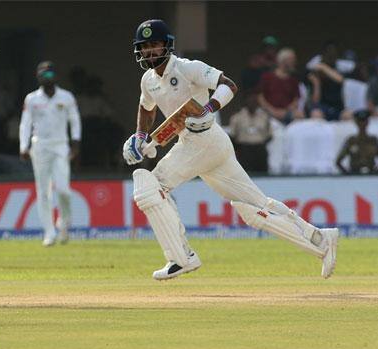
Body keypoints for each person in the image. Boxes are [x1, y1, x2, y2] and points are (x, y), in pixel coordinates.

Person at [122, 19, 338, 281]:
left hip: (204, 140)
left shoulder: (188, 68)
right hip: (202, 145)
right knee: (256, 209)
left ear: (167, 45)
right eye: (144, 47)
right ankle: (321, 239)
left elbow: (228, 85)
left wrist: (208, 109)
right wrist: (141, 136)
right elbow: (147, 108)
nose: (149, 52)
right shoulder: (148, 80)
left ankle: (181, 258)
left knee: (148, 187)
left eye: (155, 45)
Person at [19, 61, 81, 246]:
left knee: (63, 189)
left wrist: (75, 142)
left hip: (61, 145)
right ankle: (49, 232)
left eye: (50, 75)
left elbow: (75, 120)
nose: (47, 78)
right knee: (43, 191)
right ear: (38, 77)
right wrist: (24, 146)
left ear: (55, 76)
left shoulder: (66, 97)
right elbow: (25, 123)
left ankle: (63, 224)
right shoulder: (31, 99)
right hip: (40, 147)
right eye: (43, 75)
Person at [257, 48, 304, 124]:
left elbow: (296, 100)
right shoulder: (267, 77)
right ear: (284, 61)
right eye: (293, 59)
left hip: (287, 114)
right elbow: (260, 97)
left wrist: (285, 111)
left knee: (300, 116)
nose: (295, 62)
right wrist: (272, 111)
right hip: (268, 113)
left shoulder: (293, 80)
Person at [229, 91, 272, 173]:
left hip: (260, 149)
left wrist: (260, 144)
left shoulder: (264, 116)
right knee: (245, 174)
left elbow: (270, 135)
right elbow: (232, 135)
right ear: (246, 102)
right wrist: (239, 149)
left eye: (254, 102)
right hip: (245, 150)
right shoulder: (237, 117)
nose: (252, 104)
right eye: (250, 101)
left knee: (263, 174)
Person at [336, 110, 378, 174]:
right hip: (355, 174)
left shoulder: (373, 140)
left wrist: (376, 171)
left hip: (371, 175)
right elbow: (338, 161)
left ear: (367, 122)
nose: (362, 124)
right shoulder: (351, 141)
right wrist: (347, 173)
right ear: (356, 122)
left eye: (364, 121)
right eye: (360, 121)